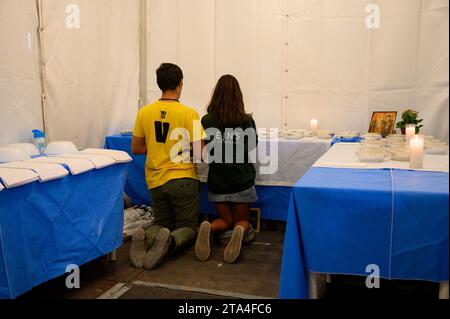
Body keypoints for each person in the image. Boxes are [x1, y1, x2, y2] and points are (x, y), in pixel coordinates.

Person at [129, 63, 204, 270]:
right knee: (188, 226)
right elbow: (200, 154)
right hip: (183, 178)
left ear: (159, 84)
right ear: (180, 84)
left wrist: (155, 146)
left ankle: (146, 235)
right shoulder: (190, 114)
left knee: (163, 222)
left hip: (155, 180)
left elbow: (136, 147)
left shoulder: (144, 112)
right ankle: (169, 242)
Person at [195, 74, 258, 264]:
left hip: (218, 180)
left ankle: (208, 227)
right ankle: (241, 230)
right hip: (242, 179)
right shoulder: (247, 121)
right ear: (238, 96)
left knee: (225, 220)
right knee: (241, 220)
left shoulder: (206, 121)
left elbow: (202, 153)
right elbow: (252, 146)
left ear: (216, 95)